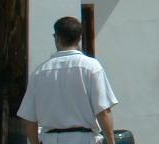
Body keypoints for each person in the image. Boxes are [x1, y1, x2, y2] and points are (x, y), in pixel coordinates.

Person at [17, 16, 117, 144]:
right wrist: (111, 141)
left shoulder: (39, 72)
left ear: (56, 37)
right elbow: (103, 112)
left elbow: (29, 119)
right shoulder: (91, 67)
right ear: (80, 38)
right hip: (84, 139)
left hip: (50, 140)